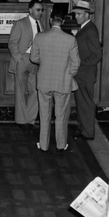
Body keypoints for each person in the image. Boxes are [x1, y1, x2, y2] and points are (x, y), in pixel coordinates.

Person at [30, 13, 80, 152]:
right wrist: (68, 74)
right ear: (62, 21)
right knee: (61, 115)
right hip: (62, 82)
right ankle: (61, 145)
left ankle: (44, 145)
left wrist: (45, 63)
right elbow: (76, 63)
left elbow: (34, 58)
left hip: (44, 81)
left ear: (50, 20)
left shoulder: (40, 37)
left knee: (44, 115)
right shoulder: (70, 39)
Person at [7, 0, 45, 130]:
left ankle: (30, 119)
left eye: (41, 10)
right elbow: (12, 43)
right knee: (21, 90)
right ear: (30, 10)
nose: (40, 12)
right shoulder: (20, 23)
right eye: (37, 10)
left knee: (35, 90)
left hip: (36, 61)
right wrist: (18, 58)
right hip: (23, 59)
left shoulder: (42, 24)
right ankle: (21, 120)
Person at [72, 0, 102, 141]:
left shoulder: (90, 30)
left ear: (86, 14)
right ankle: (83, 129)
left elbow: (97, 55)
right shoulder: (85, 28)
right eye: (75, 14)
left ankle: (88, 133)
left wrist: (80, 64)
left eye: (78, 14)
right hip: (83, 74)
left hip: (85, 74)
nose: (76, 17)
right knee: (82, 103)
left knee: (86, 104)